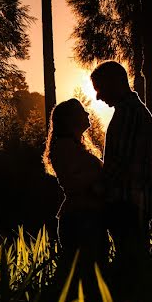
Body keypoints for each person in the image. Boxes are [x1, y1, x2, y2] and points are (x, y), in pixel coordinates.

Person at [90, 61, 152, 258]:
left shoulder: (128, 113)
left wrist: (94, 189)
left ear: (115, 83)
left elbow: (119, 163)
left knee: (129, 262)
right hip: (136, 203)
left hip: (127, 204)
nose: (98, 96)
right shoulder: (134, 111)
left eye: (100, 88)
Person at [43, 98, 108, 277]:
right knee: (86, 273)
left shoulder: (73, 147)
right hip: (81, 218)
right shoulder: (64, 148)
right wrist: (100, 187)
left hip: (88, 216)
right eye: (82, 111)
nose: (87, 114)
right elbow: (76, 182)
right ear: (70, 119)